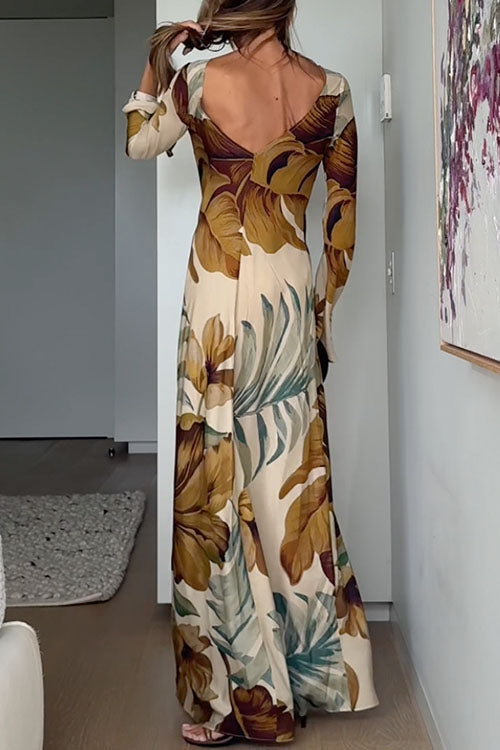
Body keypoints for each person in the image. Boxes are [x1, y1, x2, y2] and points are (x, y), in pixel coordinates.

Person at [122, 0, 379, 745]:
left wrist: (157, 61)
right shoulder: (333, 90)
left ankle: (231, 700)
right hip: (287, 301)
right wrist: (321, 317)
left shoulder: (198, 83)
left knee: (214, 484)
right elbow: (342, 223)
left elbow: (139, 142)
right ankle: (304, 679)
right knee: (290, 483)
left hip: (215, 298)